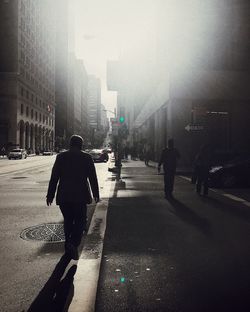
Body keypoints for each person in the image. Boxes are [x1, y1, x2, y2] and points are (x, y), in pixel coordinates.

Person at [46, 135, 99, 260]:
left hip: (64, 196)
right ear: (81, 145)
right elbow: (92, 178)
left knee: (68, 221)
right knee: (80, 220)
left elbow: (54, 178)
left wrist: (50, 195)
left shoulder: (61, 157)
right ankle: (73, 243)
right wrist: (96, 193)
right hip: (80, 196)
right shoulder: (87, 157)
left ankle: (68, 246)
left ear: (70, 144)